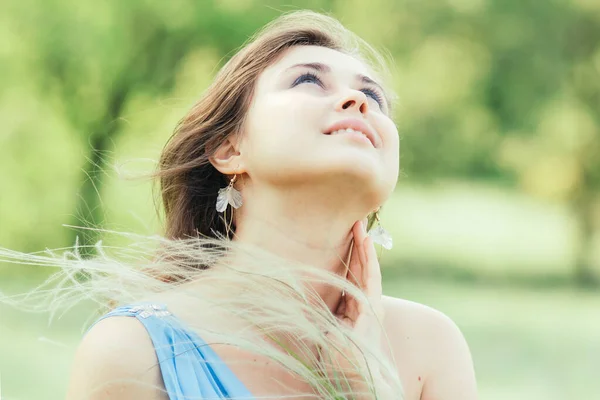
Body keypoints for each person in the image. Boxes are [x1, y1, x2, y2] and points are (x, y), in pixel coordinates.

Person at [31, 10, 476, 400]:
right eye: (308, 80)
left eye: (374, 97)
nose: (357, 101)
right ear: (228, 148)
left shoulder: (430, 347)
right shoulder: (132, 352)